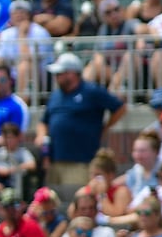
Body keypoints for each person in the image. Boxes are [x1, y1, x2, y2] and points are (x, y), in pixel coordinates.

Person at [35, 53, 125, 185]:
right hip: (55, 161)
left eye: (60, 73)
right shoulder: (55, 96)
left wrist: (105, 128)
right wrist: (41, 135)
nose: (56, 77)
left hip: (80, 161)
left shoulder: (91, 91)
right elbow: (44, 121)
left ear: (72, 73)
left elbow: (119, 108)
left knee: (77, 198)